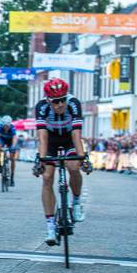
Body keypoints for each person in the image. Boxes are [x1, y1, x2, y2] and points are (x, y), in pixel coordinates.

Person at [32, 78, 91, 246]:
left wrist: (83, 158)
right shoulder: (41, 107)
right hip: (50, 141)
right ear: (48, 100)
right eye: (55, 101)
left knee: (73, 166)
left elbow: (76, 135)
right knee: (47, 177)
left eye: (62, 100)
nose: (60, 104)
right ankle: (50, 227)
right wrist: (42, 160)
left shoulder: (74, 104)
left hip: (68, 140)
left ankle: (77, 202)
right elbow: (42, 137)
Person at [0, 115, 18, 187]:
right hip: (2, 140)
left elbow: (14, 138)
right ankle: (0, 165)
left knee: (12, 158)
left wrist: (13, 146)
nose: (6, 127)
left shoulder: (12, 128)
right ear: (2, 124)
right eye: (5, 126)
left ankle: (12, 177)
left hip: (10, 141)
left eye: (7, 126)